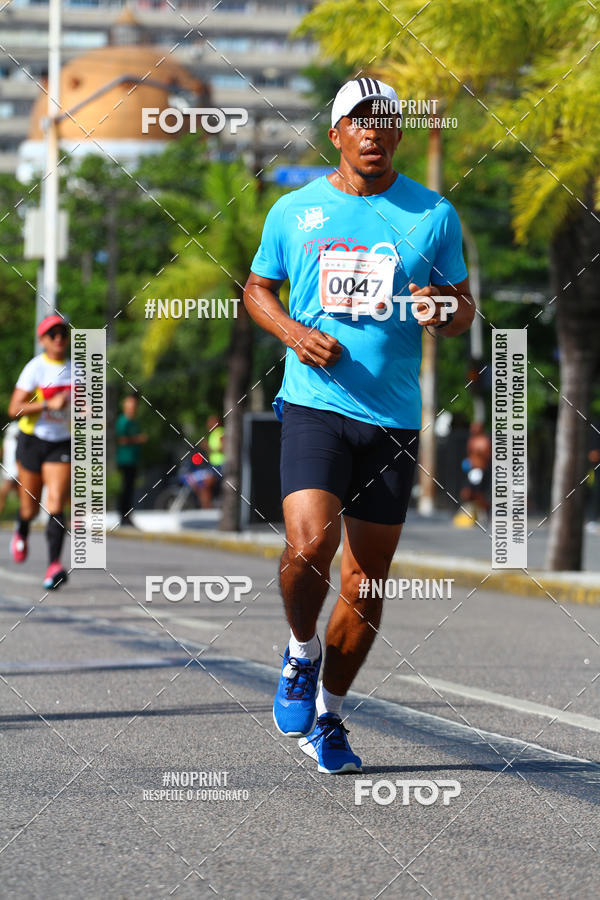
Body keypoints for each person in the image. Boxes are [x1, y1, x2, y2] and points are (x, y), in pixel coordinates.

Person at [244, 78, 474, 773]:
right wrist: (292, 333)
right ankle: (300, 651)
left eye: (385, 121)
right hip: (315, 403)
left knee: (367, 580)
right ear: (337, 133)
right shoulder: (295, 210)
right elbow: (258, 289)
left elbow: (463, 308)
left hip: (394, 418)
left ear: (398, 133)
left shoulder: (433, 214)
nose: (373, 131)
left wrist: (443, 310)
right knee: (311, 542)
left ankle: (330, 717)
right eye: (359, 121)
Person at [8, 314, 71, 589]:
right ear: (42, 340)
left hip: (61, 443)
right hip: (32, 441)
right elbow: (14, 409)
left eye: (63, 334)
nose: (59, 339)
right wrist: (47, 404)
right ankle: (22, 528)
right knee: (29, 508)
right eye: (52, 334)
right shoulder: (35, 368)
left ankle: (54, 565)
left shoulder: (77, 370)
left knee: (55, 503)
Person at [115, 392, 147, 527]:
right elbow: (121, 440)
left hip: (133, 460)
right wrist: (138, 439)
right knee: (125, 489)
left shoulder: (134, 422)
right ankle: (123, 516)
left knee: (131, 489)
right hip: (124, 460)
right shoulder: (123, 421)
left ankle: (128, 515)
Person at [455, 422, 492, 527]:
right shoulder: (471, 440)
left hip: (480, 471)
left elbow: (488, 456)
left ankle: (485, 510)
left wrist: (481, 453)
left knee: (477, 494)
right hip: (472, 470)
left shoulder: (485, 441)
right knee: (467, 493)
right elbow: (469, 454)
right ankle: (478, 512)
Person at [184, 415, 225, 509]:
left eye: (211, 422)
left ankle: (207, 508)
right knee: (199, 484)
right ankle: (206, 506)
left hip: (220, 466)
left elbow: (225, 448)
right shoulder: (213, 434)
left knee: (204, 486)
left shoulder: (220, 432)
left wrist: (209, 448)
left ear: (217, 423)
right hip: (213, 466)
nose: (208, 425)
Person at [0, 421, 20, 517]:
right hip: (9, 471)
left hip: (16, 471)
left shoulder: (19, 442)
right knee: (3, 495)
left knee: (3, 494)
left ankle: (24, 517)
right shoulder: (8, 441)